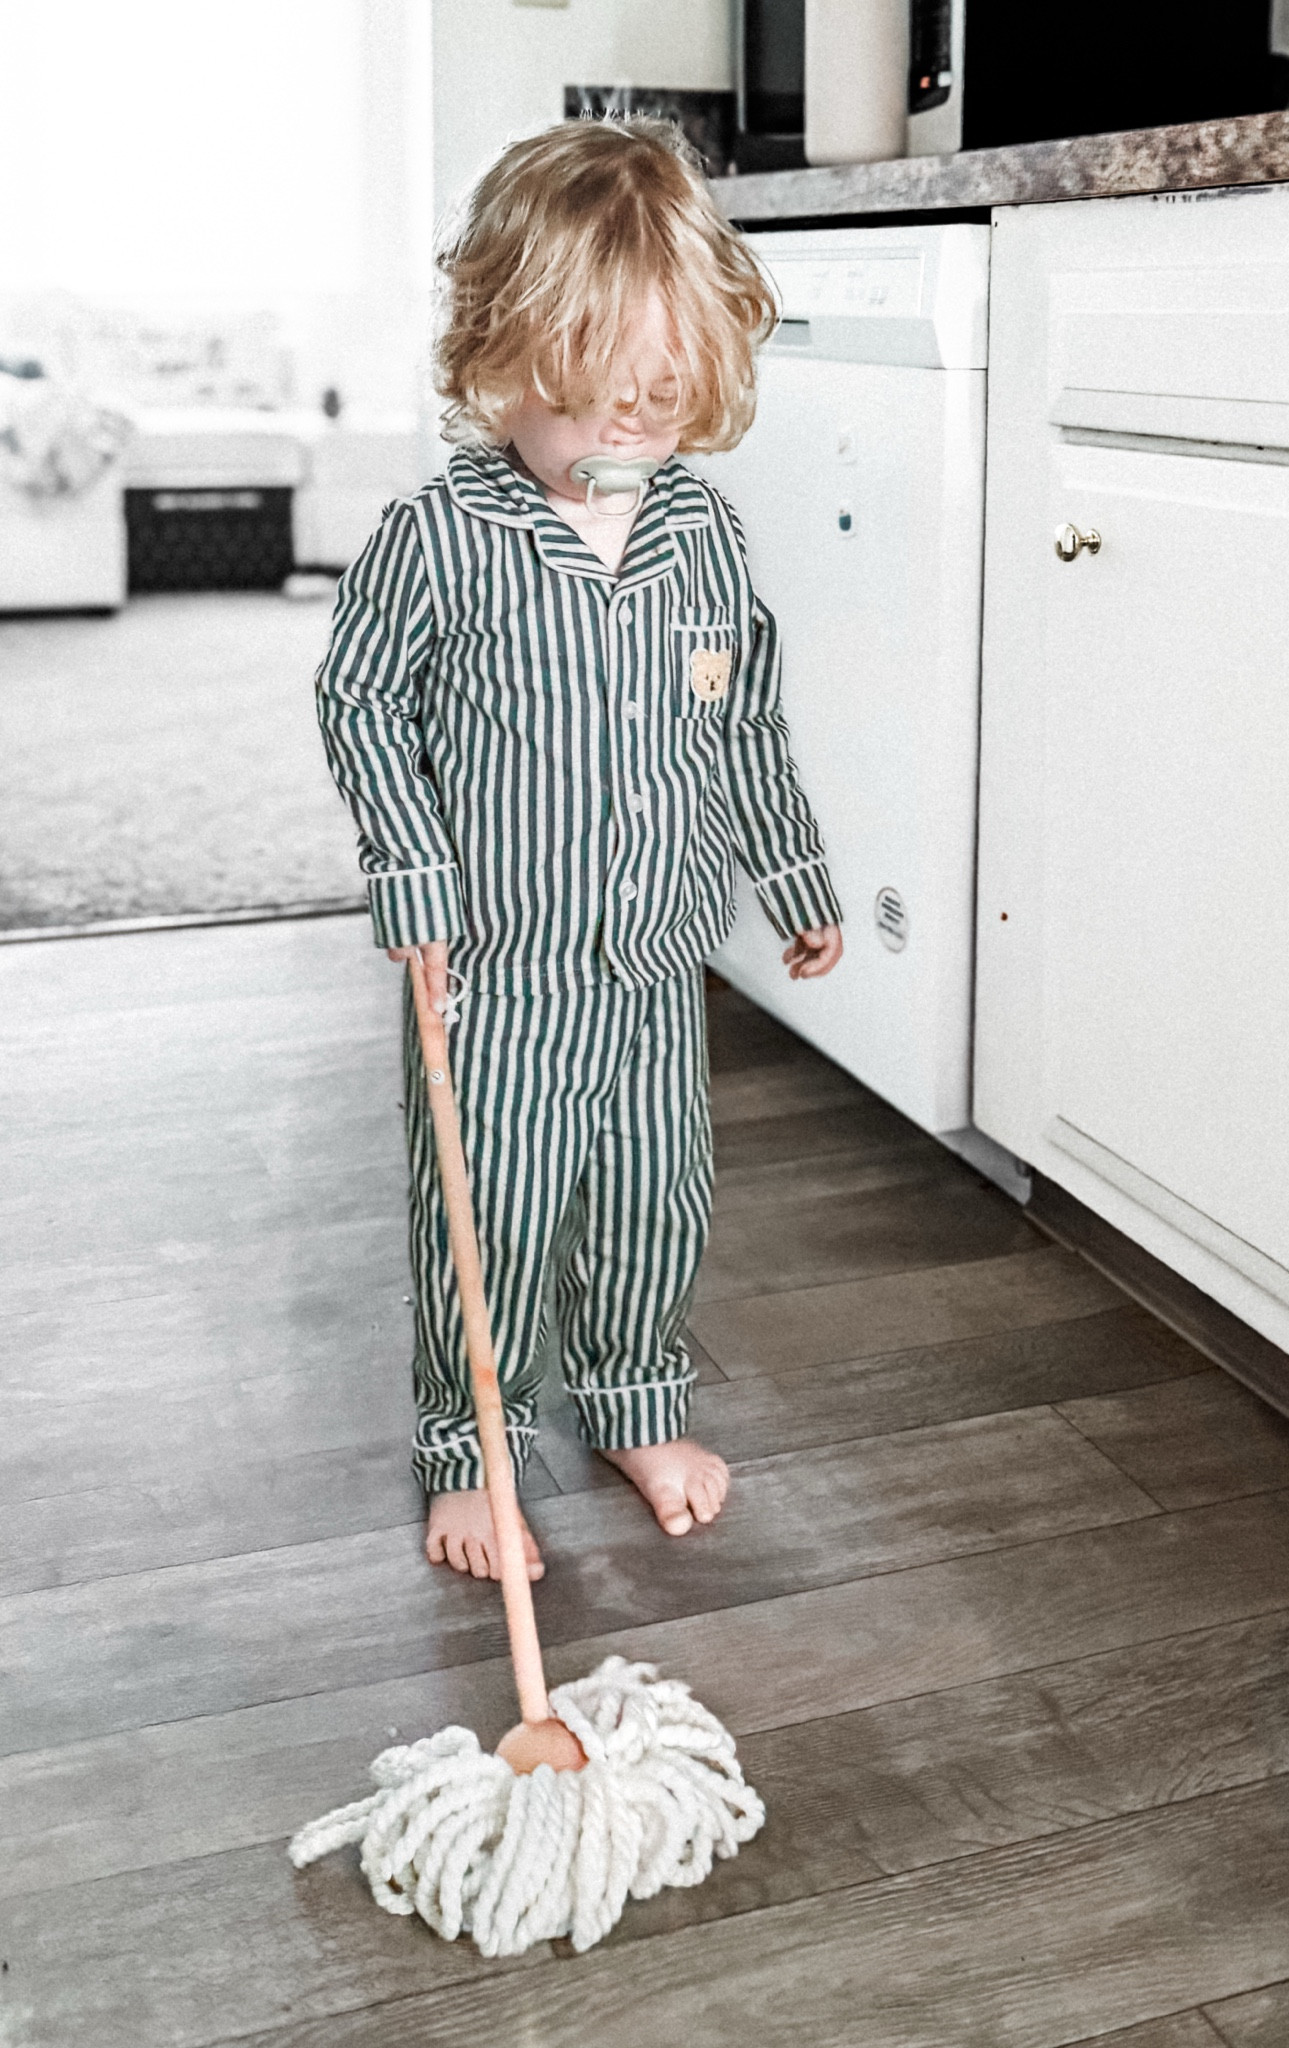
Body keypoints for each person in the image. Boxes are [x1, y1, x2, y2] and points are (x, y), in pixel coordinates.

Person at [316, 119, 841, 1583]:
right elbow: (360, 700)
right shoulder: (439, 539)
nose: (624, 447)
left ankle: (631, 1399)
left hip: (658, 964)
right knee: (488, 1213)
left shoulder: (707, 540)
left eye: (657, 415)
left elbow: (746, 721)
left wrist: (789, 873)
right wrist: (412, 879)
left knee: (655, 1194)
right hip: (497, 977)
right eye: (589, 411)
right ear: (506, 360)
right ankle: (471, 1447)